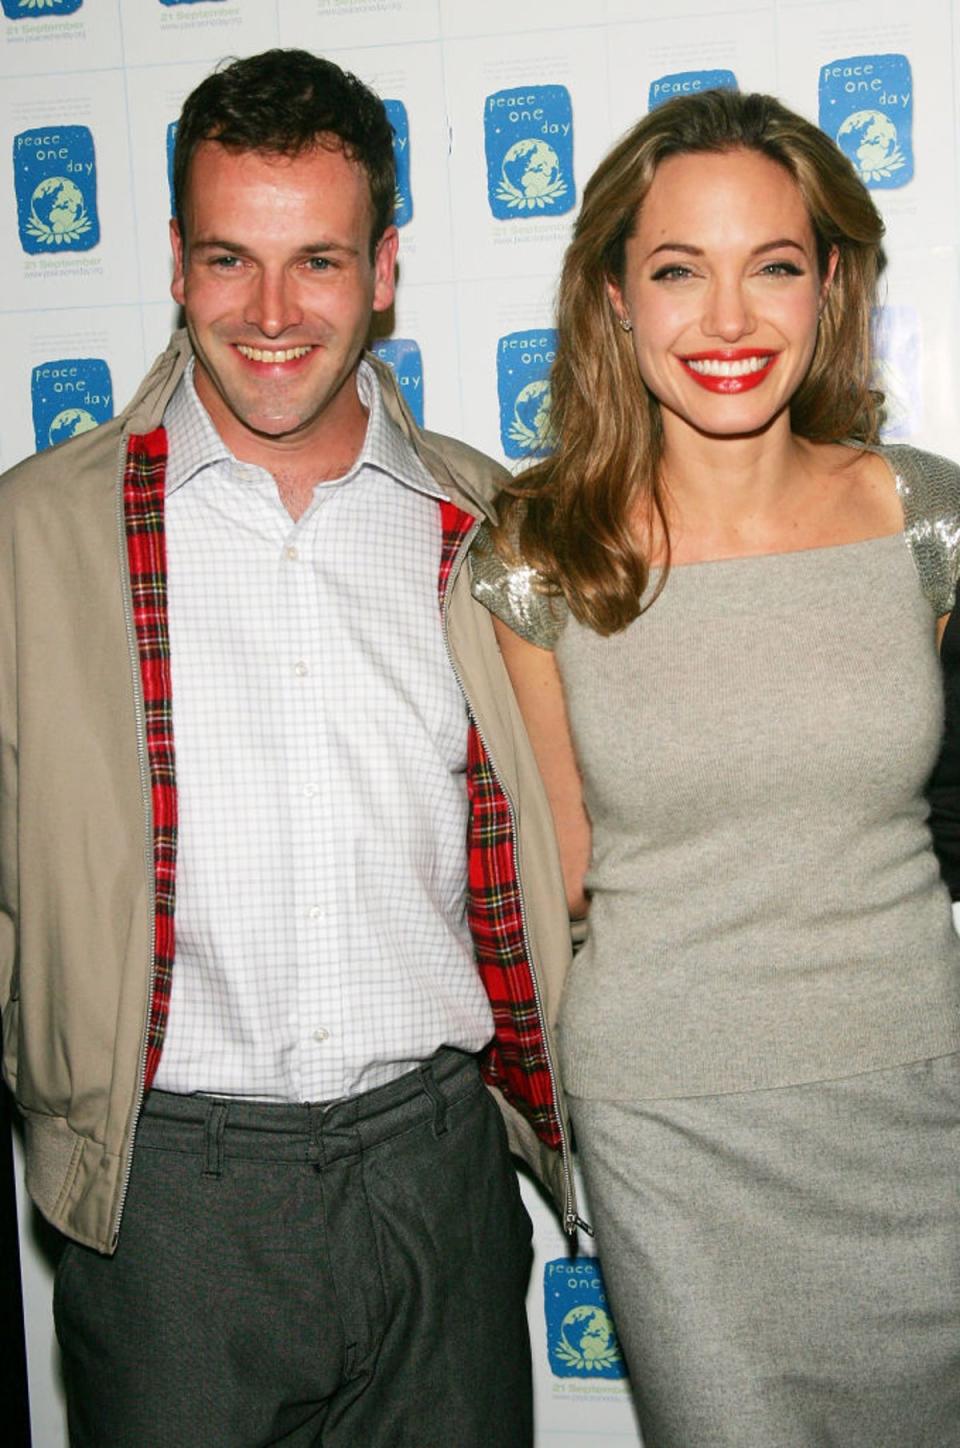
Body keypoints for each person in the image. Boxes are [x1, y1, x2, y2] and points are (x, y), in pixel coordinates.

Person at [0, 49, 577, 1448]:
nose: (270, 314)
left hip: (438, 1174)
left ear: (385, 269)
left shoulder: (498, 531)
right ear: (180, 268)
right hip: (167, 1203)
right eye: (227, 260)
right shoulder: (35, 536)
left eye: (317, 261)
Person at [471, 88, 960, 1446]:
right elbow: (562, 870)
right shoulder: (541, 550)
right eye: (679, 270)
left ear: (832, 285)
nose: (730, 322)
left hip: (926, 1103)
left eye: (775, 266)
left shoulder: (925, 516)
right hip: (675, 1131)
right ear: (615, 298)